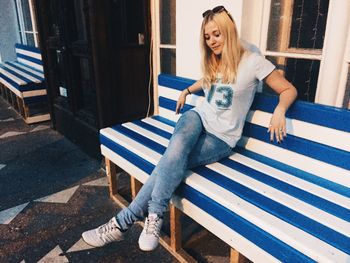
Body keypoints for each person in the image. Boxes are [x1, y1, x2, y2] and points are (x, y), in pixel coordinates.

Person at [81, 5, 297, 252]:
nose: (212, 41)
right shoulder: (216, 61)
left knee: (169, 162)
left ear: (229, 30)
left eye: (216, 34)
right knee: (175, 153)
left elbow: (288, 89)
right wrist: (186, 91)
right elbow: (206, 81)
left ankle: (121, 223)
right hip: (197, 117)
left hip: (221, 139)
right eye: (207, 37)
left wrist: (279, 110)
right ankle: (153, 215)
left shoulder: (253, 62)